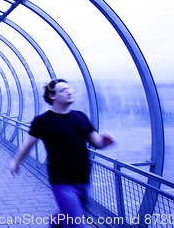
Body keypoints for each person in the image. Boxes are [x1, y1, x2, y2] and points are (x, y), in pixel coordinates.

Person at [9, 79, 114, 228]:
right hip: (61, 181)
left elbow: (96, 142)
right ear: (52, 96)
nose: (69, 91)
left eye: (69, 89)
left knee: (65, 215)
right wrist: (16, 162)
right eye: (63, 90)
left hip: (83, 179)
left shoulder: (80, 117)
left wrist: (105, 141)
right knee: (77, 224)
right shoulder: (42, 121)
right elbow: (28, 144)